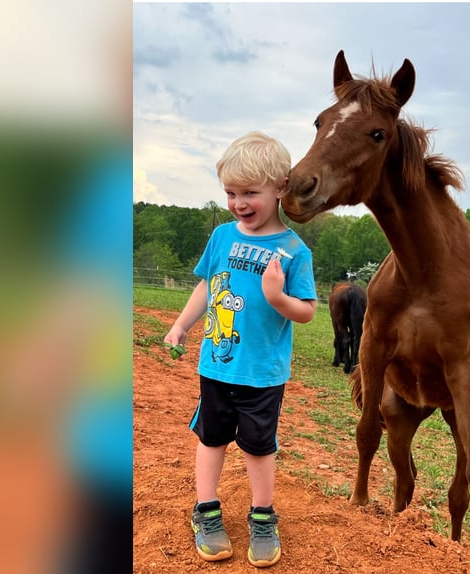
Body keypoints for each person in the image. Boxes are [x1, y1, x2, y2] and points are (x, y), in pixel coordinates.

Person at [163, 131, 317, 567]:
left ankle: (263, 517)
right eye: (231, 193)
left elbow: (306, 311)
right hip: (216, 364)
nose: (239, 203)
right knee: (211, 439)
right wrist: (180, 325)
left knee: (258, 446)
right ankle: (206, 511)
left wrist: (278, 300)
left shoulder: (292, 251)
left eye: (250, 193)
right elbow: (206, 287)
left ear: (280, 188)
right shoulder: (222, 237)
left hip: (263, 372)